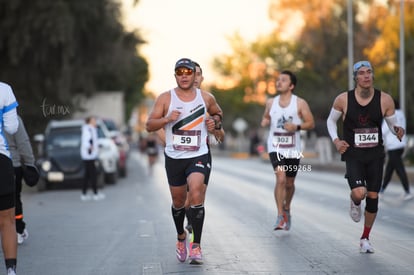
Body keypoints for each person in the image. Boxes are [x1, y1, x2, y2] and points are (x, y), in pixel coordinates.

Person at [145, 58, 224, 265]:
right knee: (179, 202)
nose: (184, 76)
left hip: (198, 154)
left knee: (196, 191)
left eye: (188, 72)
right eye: (180, 73)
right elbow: (149, 125)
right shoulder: (165, 98)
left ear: (193, 75)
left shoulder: (206, 97)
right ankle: (181, 236)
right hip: (174, 157)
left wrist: (214, 122)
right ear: (175, 76)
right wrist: (167, 119)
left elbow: (218, 114)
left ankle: (196, 245)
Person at [326, 60, 405, 253]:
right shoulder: (343, 99)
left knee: (373, 196)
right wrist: (337, 141)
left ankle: (365, 238)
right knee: (360, 193)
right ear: (355, 77)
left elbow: (391, 124)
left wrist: (397, 130)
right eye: (361, 73)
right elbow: (330, 121)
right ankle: (354, 200)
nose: (366, 76)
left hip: (375, 154)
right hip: (353, 153)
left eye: (369, 72)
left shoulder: (385, 100)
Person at [261, 70, 315, 231]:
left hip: (293, 148)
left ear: (291, 85)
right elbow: (266, 117)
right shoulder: (271, 102)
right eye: (278, 80)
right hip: (275, 146)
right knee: (281, 179)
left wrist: (296, 126)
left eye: (283, 80)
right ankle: (279, 216)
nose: (279, 82)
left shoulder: (300, 103)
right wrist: (264, 121)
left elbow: (310, 123)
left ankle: (287, 208)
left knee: (290, 183)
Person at [5, 116, 38, 245]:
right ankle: (18, 230)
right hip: (12, 164)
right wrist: (30, 163)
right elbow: (23, 142)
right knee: (13, 199)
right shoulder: (13, 118)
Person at [0, 81, 19, 275]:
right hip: (1, 160)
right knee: (7, 221)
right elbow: (12, 128)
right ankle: (11, 271)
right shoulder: (4, 90)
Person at [380, 99, 412, 200]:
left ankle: (407, 191)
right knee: (390, 168)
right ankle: (382, 190)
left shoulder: (390, 115)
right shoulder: (401, 114)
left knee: (399, 169)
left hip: (393, 146)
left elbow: (384, 130)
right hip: (400, 144)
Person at [80, 116, 105, 201]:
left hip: (90, 155)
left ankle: (84, 194)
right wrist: (91, 148)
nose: (95, 121)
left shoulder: (91, 129)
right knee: (92, 175)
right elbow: (86, 141)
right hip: (89, 156)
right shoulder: (88, 129)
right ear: (89, 121)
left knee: (87, 175)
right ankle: (95, 193)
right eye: (93, 120)